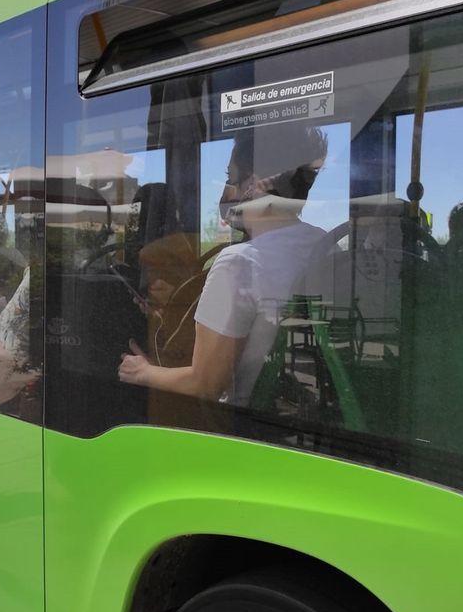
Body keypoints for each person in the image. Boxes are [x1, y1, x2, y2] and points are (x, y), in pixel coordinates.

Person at [117, 125, 329, 406]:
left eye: (231, 177)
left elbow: (206, 385)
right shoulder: (321, 243)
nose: (226, 191)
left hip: (233, 424)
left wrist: (142, 372)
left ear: (252, 185)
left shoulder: (240, 262)